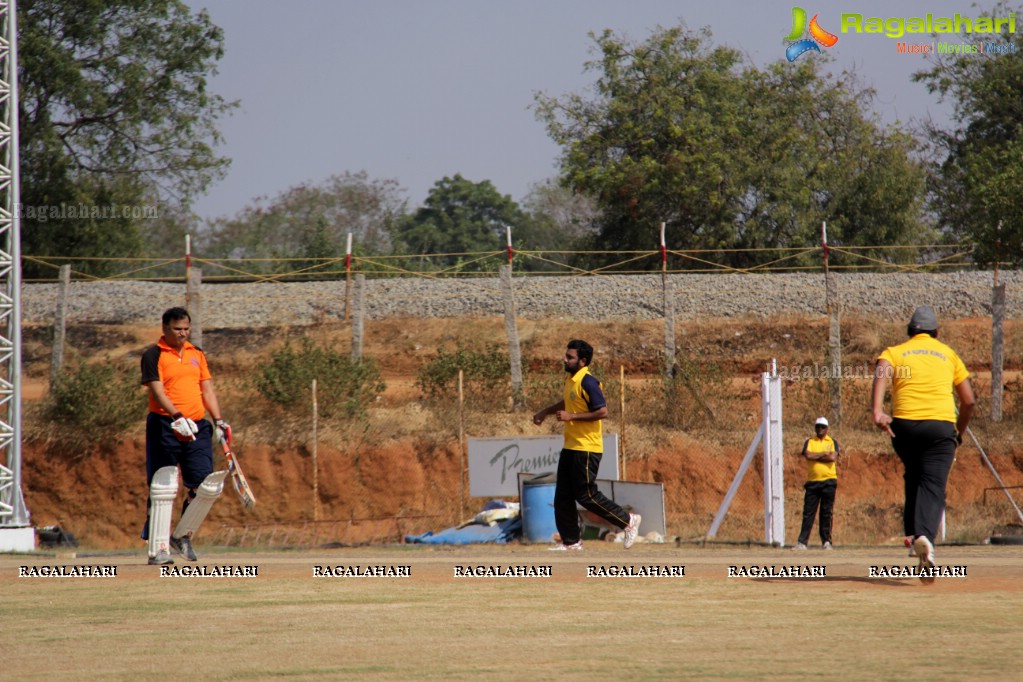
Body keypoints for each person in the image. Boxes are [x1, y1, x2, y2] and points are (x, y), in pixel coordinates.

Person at [872, 306, 974, 582]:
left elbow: (882, 369)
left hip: (903, 426)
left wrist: (878, 410)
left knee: (914, 474)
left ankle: (914, 534)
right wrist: (958, 433)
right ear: (936, 333)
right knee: (933, 485)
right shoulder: (948, 354)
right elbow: (969, 401)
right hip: (940, 427)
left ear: (910, 332)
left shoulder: (895, 352)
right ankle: (924, 538)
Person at [140, 307, 231, 565]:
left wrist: (219, 420)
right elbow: (158, 392)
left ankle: (181, 536)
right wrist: (176, 417)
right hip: (164, 423)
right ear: (165, 329)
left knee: (206, 485)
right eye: (177, 329)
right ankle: (158, 548)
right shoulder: (153, 354)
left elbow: (207, 390)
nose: (183, 333)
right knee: (164, 484)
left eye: (186, 329)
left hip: (198, 426)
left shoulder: (196, 353)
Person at [532, 339, 641, 550]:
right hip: (571, 446)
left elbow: (602, 411)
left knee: (586, 496)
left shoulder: (589, 381)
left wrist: (571, 416)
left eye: (570, 357)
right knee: (563, 496)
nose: (565, 359)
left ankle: (628, 520)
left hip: (587, 449)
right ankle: (571, 542)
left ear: (582, 361)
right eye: (566, 355)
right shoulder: (571, 380)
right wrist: (544, 412)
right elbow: (568, 402)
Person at [793, 417, 839, 550]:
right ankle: (802, 542)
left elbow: (832, 457)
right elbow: (808, 455)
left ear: (827, 428)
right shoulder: (809, 441)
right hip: (813, 482)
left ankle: (826, 541)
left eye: (822, 427)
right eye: (817, 426)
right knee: (808, 513)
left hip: (829, 481)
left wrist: (817, 455)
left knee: (826, 513)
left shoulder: (832, 442)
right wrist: (823, 453)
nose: (820, 429)